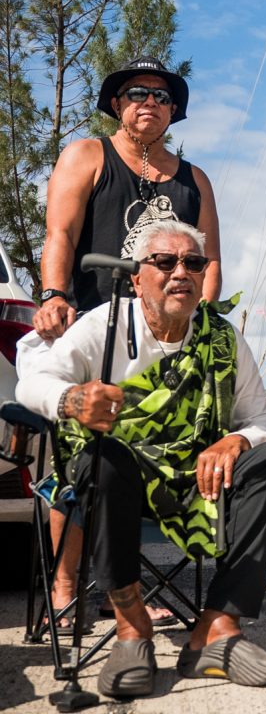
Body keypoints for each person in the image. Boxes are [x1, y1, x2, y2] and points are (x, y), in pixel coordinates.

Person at [16, 222, 266, 699]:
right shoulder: (105, 324)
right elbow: (34, 381)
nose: (180, 272)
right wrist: (71, 399)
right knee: (103, 456)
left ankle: (216, 627)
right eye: (165, 262)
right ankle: (132, 629)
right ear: (136, 277)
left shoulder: (222, 338)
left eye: (193, 263)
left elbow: (261, 418)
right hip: (113, 484)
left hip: (195, 482)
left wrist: (237, 441)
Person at [33, 55, 222, 631]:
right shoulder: (89, 155)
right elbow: (60, 232)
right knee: (79, 459)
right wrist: (53, 292)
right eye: (136, 92)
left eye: (161, 96)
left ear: (174, 111)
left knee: (151, 462)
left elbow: (208, 262)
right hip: (96, 328)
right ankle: (67, 583)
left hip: (165, 341)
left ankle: (129, 590)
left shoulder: (194, 180)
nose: (149, 103)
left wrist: (204, 326)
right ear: (117, 103)